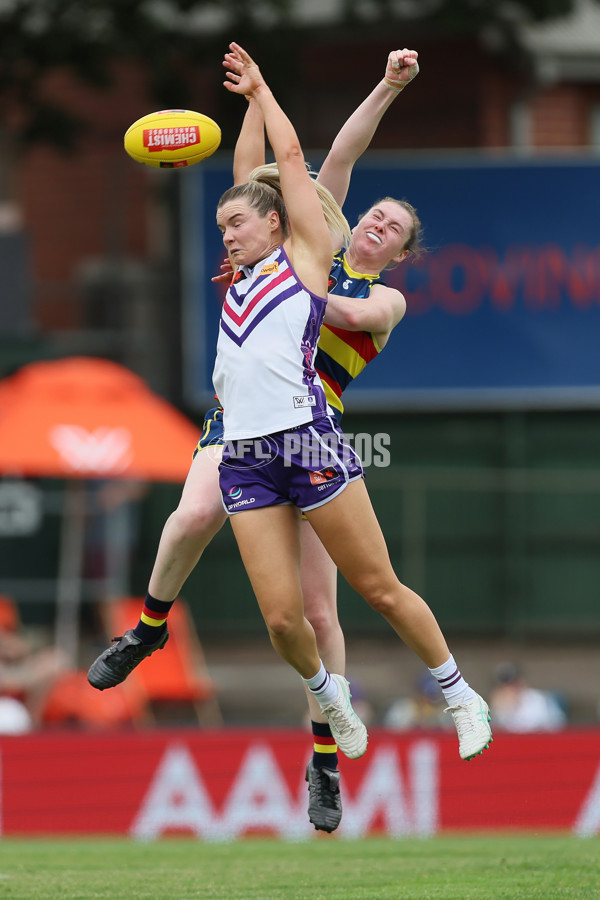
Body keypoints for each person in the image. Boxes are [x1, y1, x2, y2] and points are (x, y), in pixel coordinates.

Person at [88, 45, 493, 834]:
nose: (377, 222)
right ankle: (148, 628)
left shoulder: (358, 286)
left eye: (394, 229)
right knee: (202, 530)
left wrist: (293, 270)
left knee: (326, 608)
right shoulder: (292, 246)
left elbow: (308, 196)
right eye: (374, 212)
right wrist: (362, 89)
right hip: (242, 430)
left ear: (402, 254)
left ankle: (328, 757)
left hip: (310, 429)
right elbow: (302, 163)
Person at [489, 661, 567, 732]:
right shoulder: (496, 706)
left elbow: (556, 729)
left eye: (513, 685)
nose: (508, 689)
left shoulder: (538, 701)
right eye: (503, 686)